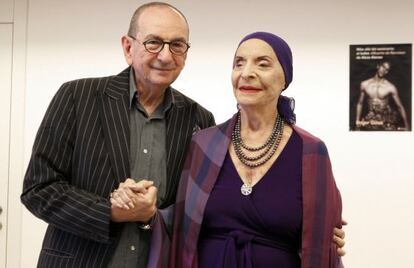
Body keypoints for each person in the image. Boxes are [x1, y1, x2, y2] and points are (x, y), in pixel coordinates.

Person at [21, 2, 345, 267]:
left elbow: (193, 212)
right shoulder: (78, 97)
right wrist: (111, 210)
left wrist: (319, 235)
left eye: (177, 45)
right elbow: (38, 188)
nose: (165, 55)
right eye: (153, 42)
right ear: (127, 47)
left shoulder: (199, 122)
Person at [166, 32, 343, 267]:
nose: (246, 73)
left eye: (263, 64)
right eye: (239, 63)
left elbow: (321, 242)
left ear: (285, 79)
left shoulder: (311, 151)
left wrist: (330, 239)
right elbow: (179, 226)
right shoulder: (203, 144)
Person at [355, 60, 410, 130]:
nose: (384, 70)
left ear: (387, 72)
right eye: (383, 67)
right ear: (378, 66)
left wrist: (407, 125)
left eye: (387, 70)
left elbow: (400, 106)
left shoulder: (390, 87)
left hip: (385, 120)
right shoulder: (364, 84)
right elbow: (360, 103)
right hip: (371, 119)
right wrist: (357, 123)